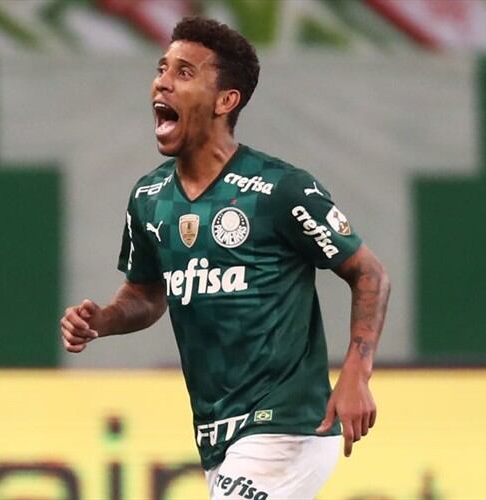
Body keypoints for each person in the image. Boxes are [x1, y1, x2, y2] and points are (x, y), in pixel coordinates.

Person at [60, 16, 390, 500]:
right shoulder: (150, 197)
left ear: (225, 100)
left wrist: (356, 376)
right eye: (162, 68)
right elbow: (147, 295)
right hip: (217, 435)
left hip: (290, 423)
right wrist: (104, 320)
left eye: (185, 72)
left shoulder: (279, 189)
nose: (163, 82)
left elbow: (369, 274)